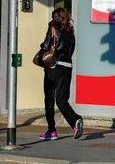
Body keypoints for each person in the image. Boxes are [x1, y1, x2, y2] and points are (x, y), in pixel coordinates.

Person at [39, 7, 84, 140]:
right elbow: (71, 51)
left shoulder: (53, 27)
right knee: (62, 100)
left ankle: (51, 130)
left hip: (54, 66)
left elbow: (47, 45)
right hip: (67, 66)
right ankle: (75, 120)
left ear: (56, 17)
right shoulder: (71, 32)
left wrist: (42, 49)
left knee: (49, 99)